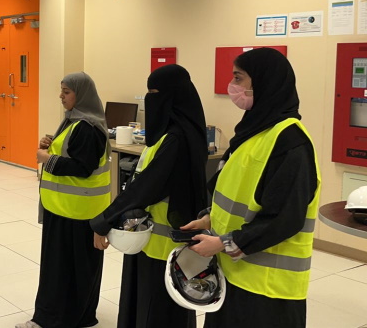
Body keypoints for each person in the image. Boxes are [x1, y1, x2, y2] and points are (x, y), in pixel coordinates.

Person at [182, 48, 320, 328]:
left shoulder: (290, 142)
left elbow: (285, 217)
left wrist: (223, 243)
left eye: (239, 78)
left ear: (264, 82)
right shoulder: (254, 130)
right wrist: (210, 218)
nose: (232, 86)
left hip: (268, 288)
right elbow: (238, 191)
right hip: (234, 273)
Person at [89, 64, 208, 328]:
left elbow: (144, 188)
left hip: (161, 245)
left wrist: (104, 220)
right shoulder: (176, 134)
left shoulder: (176, 139)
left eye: (155, 93)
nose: (150, 99)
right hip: (148, 239)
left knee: (156, 308)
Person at [17, 72, 111, 328]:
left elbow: (82, 167)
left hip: (74, 211)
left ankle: (50, 319)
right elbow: (71, 152)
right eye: (62, 90)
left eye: (66, 91)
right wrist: (50, 144)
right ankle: (79, 316)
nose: (61, 96)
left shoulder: (87, 128)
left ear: (82, 95)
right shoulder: (75, 122)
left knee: (60, 269)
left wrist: (46, 159)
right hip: (70, 209)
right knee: (78, 268)